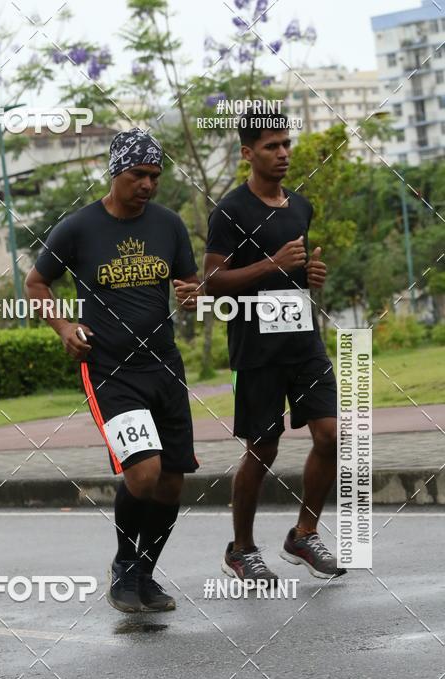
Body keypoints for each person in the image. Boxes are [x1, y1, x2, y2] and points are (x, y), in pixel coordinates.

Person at [25, 127, 201, 613]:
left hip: (164, 366)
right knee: (143, 473)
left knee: (171, 480)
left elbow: (189, 283)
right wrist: (63, 327)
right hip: (110, 371)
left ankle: (146, 574)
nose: (147, 184)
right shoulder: (79, 228)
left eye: (155, 176)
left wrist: (192, 294)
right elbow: (37, 282)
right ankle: (124, 566)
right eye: (138, 174)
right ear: (115, 171)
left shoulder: (169, 225)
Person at [204, 114, 346, 582]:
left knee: (330, 436)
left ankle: (303, 534)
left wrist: (310, 278)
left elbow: (293, 275)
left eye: (286, 144)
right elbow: (211, 283)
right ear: (248, 153)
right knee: (262, 450)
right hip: (256, 350)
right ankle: (241, 549)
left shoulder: (301, 206)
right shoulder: (229, 211)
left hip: (305, 344)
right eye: (271, 146)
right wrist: (271, 264)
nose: (283, 153)